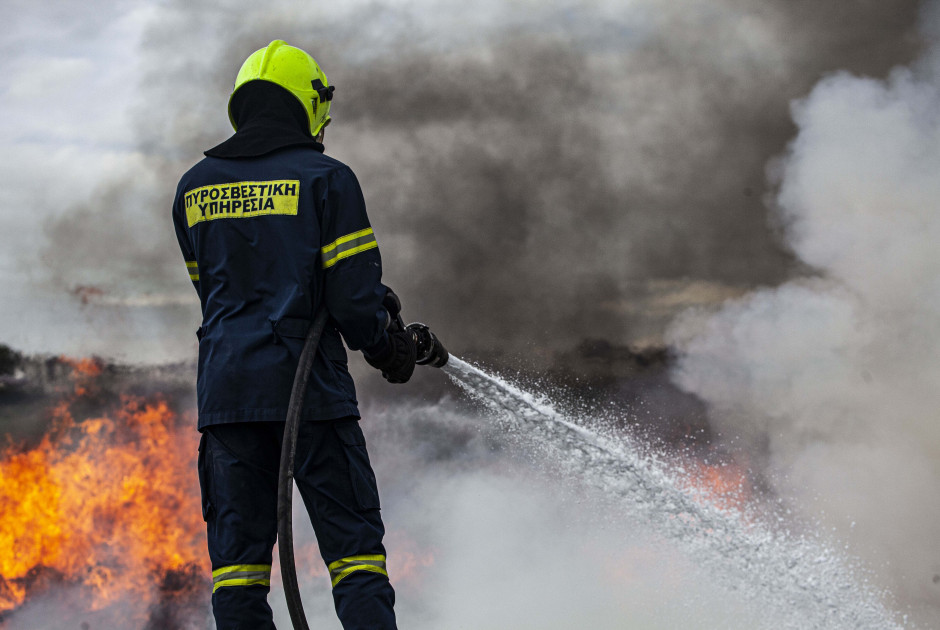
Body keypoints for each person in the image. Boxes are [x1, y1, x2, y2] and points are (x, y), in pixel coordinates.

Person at [172, 40, 426, 630]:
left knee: (237, 577)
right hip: (309, 394)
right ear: (307, 102)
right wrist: (390, 351)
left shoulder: (192, 188)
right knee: (355, 559)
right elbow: (355, 302)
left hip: (228, 401)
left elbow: (213, 292)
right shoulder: (328, 179)